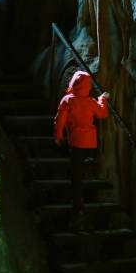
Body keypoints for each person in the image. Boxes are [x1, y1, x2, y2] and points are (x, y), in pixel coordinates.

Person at [54, 70, 109, 224]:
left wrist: (58, 136)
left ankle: (78, 205)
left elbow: (60, 120)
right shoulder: (91, 101)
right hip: (90, 143)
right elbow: (102, 114)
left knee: (76, 174)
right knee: (84, 168)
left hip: (76, 142)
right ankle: (85, 194)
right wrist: (102, 99)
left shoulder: (67, 100)